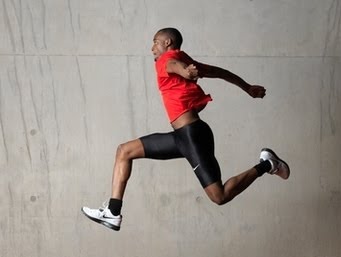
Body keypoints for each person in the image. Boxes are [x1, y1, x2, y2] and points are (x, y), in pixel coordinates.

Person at [82, 27, 289, 231]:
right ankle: (113, 212)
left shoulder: (167, 60)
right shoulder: (187, 60)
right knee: (124, 151)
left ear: (167, 43)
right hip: (182, 137)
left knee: (220, 196)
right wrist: (247, 87)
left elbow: (174, 65)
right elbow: (219, 72)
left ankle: (267, 164)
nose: (152, 47)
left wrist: (185, 71)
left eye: (155, 41)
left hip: (192, 136)